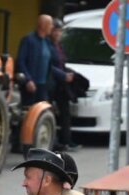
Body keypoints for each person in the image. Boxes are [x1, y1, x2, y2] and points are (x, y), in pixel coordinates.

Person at [50, 18, 79, 152]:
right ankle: (55, 142)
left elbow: (62, 63)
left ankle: (67, 140)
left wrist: (68, 74)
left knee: (65, 112)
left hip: (62, 84)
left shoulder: (59, 46)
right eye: (55, 31)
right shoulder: (48, 46)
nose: (57, 33)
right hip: (52, 83)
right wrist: (63, 75)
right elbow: (49, 66)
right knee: (53, 113)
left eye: (59, 31)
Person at [17, 14, 55, 107]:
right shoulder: (28, 40)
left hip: (43, 86)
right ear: (43, 25)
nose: (52, 27)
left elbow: (50, 64)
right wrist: (28, 80)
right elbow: (21, 61)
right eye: (50, 24)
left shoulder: (48, 42)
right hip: (31, 85)